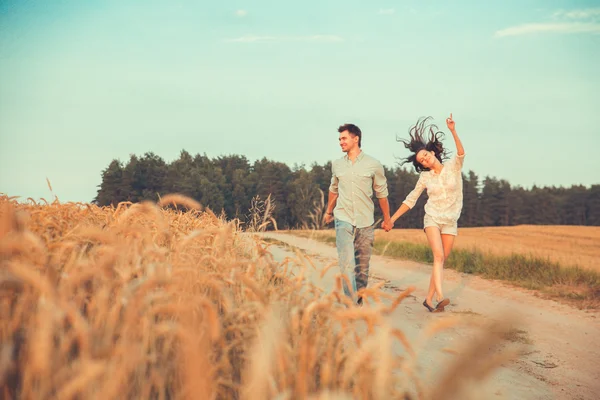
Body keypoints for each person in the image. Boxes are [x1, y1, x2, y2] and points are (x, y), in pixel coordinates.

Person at [387, 114, 465, 312]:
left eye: (426, 155)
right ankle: (440, 296)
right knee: (438, 257)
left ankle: (428, 300)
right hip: (432, 218)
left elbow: (461, 153)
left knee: (440, 262)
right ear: (421, 164)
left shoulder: (452, 167)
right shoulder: (424, 177)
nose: (425, 159)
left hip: (450, 221)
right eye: (422, 160)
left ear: (432, 152)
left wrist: (453, 131)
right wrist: (392, 219)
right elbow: (411, 199)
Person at [323, 123, 392, 305]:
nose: (340, 142)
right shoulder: (337, 165)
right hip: (343, 218)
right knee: (346, 264)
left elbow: (382, 194)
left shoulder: (373, 165)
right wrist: (329, 211)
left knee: (362, 268)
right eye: (339, 139)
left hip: (365, 221)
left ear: (356, 139)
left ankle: (357, 298)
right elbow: (333, 189)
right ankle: (351, 304)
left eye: (344, 138)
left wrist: (387, 219)